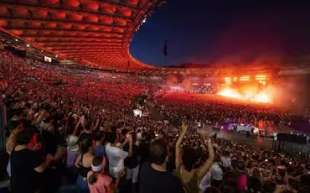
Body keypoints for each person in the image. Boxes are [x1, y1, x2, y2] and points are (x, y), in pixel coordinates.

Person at [175, 122, 215, 193]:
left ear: (183, 158)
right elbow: (211, 157)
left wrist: (183, 131)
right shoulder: (198, 174)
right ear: (196, 161)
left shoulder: (178, 166)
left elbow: (177, 146)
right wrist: (208, 140)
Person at [10, 129, 52, 193]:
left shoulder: (15, 149)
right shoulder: (29, 154)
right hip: (27, 188)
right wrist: (48, 160)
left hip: (16, 186)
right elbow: (40, 169)